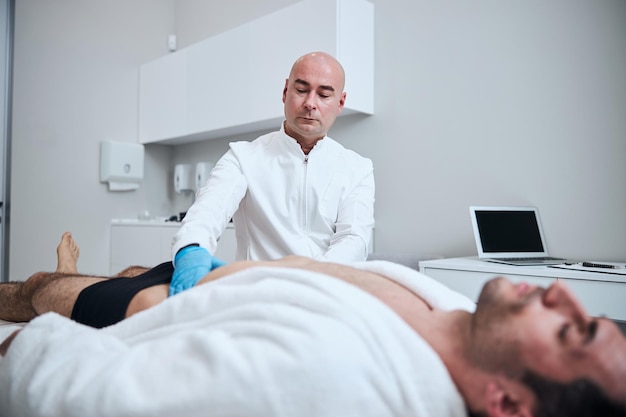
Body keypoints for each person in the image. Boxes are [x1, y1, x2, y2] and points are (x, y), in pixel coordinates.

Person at [0, 232, 625, 417]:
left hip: (159, 307)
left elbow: (82, 394)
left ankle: (55, 277)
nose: (564, 292)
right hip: (217, 269)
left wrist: (23, 346)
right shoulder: (450, 313)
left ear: (510, 402)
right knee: (133, 264)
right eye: (589, 315)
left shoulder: (331, 382)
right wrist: (205, 254)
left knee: (39, 294)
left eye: (573, 331)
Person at [169, 51, 375, 296]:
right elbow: (206, 213)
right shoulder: (243, 157)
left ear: (340, 102)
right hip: (257, 292)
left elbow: (353, 239)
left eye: (323, 94)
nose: (311, 103)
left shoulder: (357, 168)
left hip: (326, 291)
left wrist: (313, 279)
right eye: (301, 90)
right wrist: (191, 249)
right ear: (285, 92)